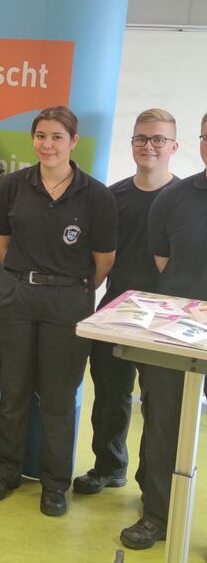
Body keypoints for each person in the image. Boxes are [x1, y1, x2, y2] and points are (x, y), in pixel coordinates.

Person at [0, 106, 116, 517]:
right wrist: (25, 280)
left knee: (58, 398)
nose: (47, 144)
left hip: (68, 302)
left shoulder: (97, 195)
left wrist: (67, 287)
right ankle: (6, 471)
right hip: (18, 295)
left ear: (73, 142)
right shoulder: (13, 186)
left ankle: (55, 483)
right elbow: (1, 243)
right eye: (41, 135)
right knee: (14, 392)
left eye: (57, 136)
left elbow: (104, 260)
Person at [73, 109, 179, 498]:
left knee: (158, 408)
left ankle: (150, 485)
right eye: (141, 138)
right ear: (131, 143)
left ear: (173, 147)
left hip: (164, 322)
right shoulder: (111, 196)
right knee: (109, 397)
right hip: (114, 313)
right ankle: (108, 467)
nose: (148, 146)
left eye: (157, 140)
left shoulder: (183, 199)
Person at [121, 111, 207, 549]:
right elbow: (162, 267)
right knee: (162, 424)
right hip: (178, 335)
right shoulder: (174, 200)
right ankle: (157, 515)